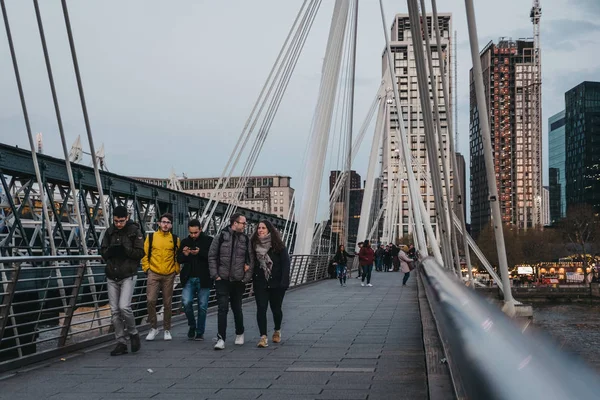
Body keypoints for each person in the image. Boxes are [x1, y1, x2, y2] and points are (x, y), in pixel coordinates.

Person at [100, 206, 145, 356]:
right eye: (116, 221)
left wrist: (125, 249)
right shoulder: (109, 232)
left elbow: (140, 253)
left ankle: (133, 332)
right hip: (112, 274)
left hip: (128, 273)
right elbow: (103, 251)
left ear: (127, 218)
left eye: (121, 221)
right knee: (114, 311)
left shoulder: (135, 231)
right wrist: (110, 251)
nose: (118, 224)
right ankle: (120, 342)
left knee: (124, 306)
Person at [208, 213, 253, 350]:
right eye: (243, 223)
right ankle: (221, 339)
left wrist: (245, 279)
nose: (245, 226)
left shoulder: (245, 239)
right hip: (222, 279)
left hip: (238, 280)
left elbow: (251, 260)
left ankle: (240, 332)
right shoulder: (221, 236)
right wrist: (215, 275)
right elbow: (212, 255)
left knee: (237, 308)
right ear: (235, 223)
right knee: (222, 308)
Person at [251, 220, 291, 348]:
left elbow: (286, 264)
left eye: (263, 228)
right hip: (260, 282)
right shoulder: (253, 245)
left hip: (277, 283)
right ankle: (263, 337)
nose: (260, 230)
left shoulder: (279, 246)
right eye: (259, 228)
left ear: (269, 230)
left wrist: (284, 282)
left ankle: (277, 330)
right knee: (261, 309)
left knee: (276, 309)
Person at [142, 212, 180, 341]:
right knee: (151, 300)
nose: (165, 224)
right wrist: (147, 269)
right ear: (159, 223)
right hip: (153, 272)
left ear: (171, 225)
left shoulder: (175, 239)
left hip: (169, 274)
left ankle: (167, 329)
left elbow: (177, 256)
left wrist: (176, 270)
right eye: (163, 222)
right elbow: (145, 254)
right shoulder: (151, 237)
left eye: (168, 223)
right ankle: (153, 327)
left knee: (167, 303)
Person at [177, 219, 213, 341]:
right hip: (188, 277)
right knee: (186, 303)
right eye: (191, 232)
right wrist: (185, 254)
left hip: (204, 278)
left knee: (202, 306)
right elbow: (179, 259)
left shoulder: (209, 240)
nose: (193, 235)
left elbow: (212, 257)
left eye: (196, 232)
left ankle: (199, 332)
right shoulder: (185, 242)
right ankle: (192, 325)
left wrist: (199, 252)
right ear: (188, 230)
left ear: (200, 229)